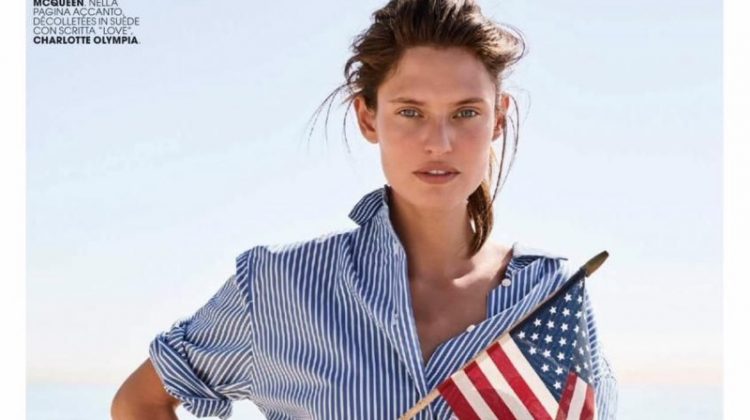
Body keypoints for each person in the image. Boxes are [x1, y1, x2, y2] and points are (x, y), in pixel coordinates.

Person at [111, 0, 618, 418]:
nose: (438, 142)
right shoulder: (278, 286)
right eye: (410, 112)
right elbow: (139, 402)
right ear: (367, 116)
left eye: (466, 112)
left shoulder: (553, 295)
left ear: (499, 119)